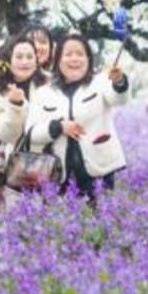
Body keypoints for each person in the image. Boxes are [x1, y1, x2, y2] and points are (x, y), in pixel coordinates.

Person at [26, 33, 129, 199]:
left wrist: (119, 82)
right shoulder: (43, 93)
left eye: (80, 54)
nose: (74, 59)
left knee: (101, 221)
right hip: (58, 176)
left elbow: (119, 98)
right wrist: (58, 127)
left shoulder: (101, 82)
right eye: (68, 54)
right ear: (58, 59)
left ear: (88, 59)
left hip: (98, 171)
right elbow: (31, 133)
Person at [0, 34, 44, 202]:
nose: (24, 62)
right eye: (18, 57)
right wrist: (15, 105)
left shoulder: (49, 85)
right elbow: (6, 135)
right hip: (18, 166)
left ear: (36, 60)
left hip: (51, 161)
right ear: (8, 60)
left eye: (29, 57)